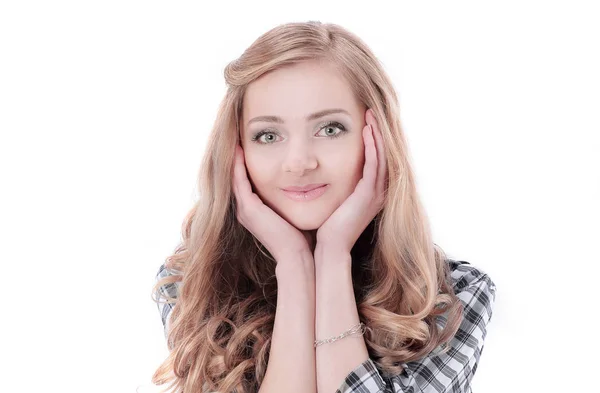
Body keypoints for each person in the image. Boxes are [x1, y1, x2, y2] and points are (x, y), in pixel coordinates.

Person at [151, 21, 497, 393]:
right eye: (268, 135)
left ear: (377, 140)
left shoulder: (456, 296)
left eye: (330, 129)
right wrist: (295, 264)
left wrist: (332, 257)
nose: (298, 162)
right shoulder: (193, 282)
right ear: (237, 150)